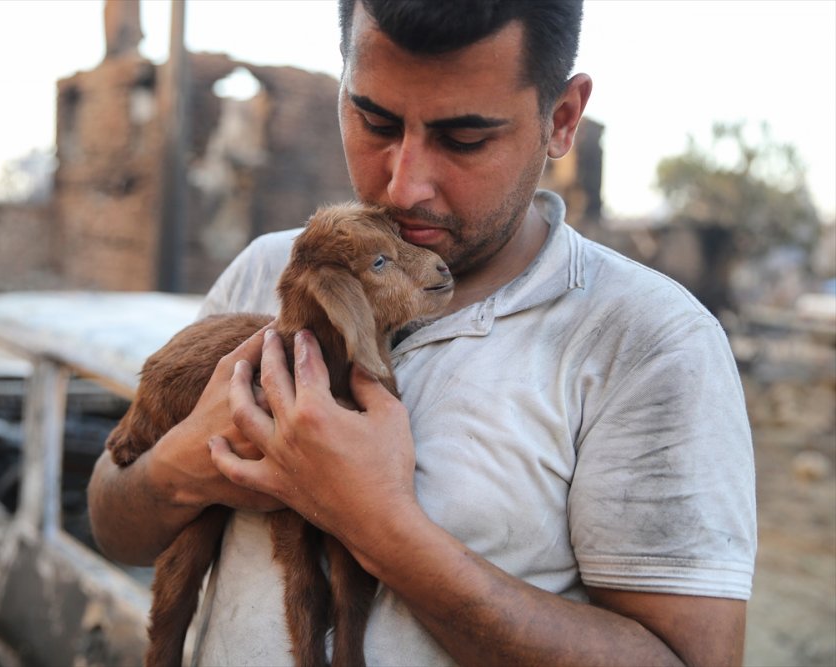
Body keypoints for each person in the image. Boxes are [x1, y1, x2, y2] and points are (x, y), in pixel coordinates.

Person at [87, 1, 757, 664]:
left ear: (561, 119)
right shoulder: (272, 267)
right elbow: (113, 522)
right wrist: (187, 465)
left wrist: (378, 525)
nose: (404, 185)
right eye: (373, 120)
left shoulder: (645, 342)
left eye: (464, 138)